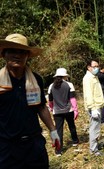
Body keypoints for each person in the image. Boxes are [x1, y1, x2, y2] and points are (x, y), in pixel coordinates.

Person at [0, 33, 60, 168]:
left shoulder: (36, 79)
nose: (17, 55)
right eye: (12, 51)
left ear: (27, 56)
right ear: (4, 54)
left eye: (22, 52)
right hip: (7, 146)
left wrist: (53, 130)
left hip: (33, 144)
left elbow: (41, 107)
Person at [48, 68, 79, 156]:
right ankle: (75, 141)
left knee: (58, 130)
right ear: (65, 76)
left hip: (57, 112)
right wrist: (75, 109)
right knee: (71, 125)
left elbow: (50, 100)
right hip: (68, 110)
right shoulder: (69, 84)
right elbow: (72, 99)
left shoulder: (51, 86)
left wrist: (51, 108)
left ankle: (58, 150)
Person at [83, 59, 104, 156]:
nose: (97, 68)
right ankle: (93, 150)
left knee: (96, 127)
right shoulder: (88, 78)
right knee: (94, 128)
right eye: (94, 66)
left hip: (97, 105)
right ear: (89, 67)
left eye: (97, 66)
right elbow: (88, 94)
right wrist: (93, 108)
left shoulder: (93, 77)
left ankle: (95, 145)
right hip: (94, 107)